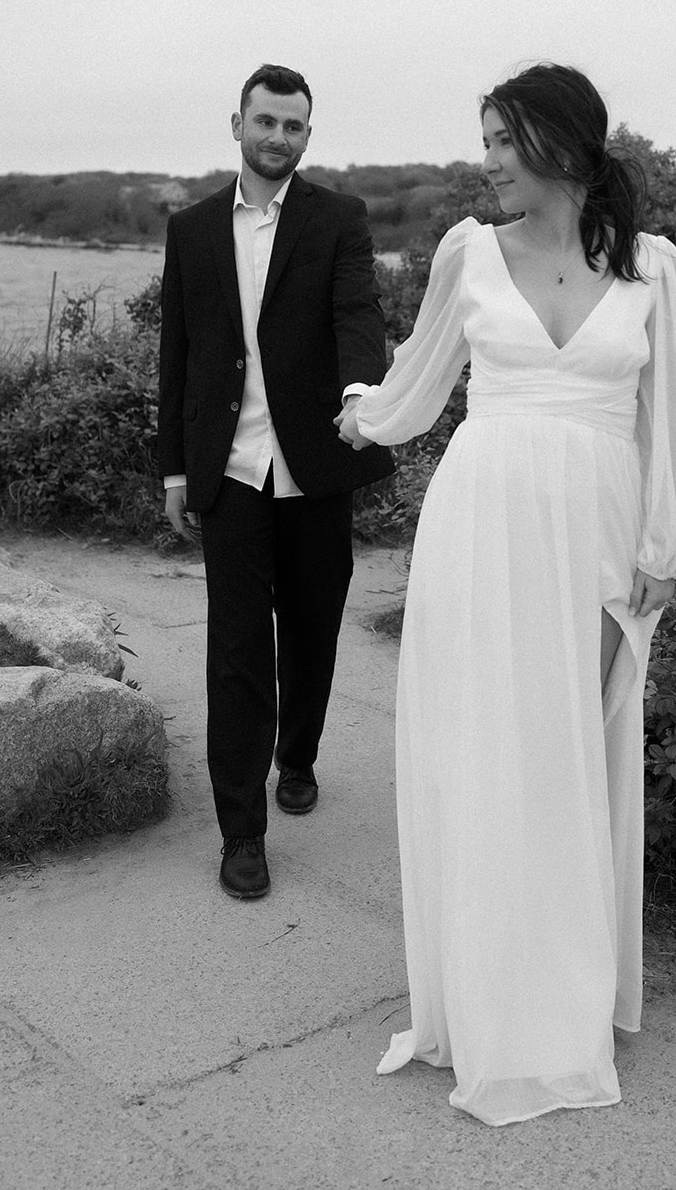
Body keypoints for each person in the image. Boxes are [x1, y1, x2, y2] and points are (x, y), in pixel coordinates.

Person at [335, 62, 676, 1125]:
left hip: (593, 537)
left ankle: (564, 993)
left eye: (502, 138)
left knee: (570, 754)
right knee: (485, 751)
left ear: (562, 143)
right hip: (480, 529)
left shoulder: (653, 269)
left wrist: (659, 552)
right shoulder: (465, 251)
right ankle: (487, 994)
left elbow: (675, 421)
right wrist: (363, 412)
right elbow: (419, 379)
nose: (486, 159)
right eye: (484, 138)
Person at [159, 63, 393, 901]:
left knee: (312, 625)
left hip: (315, 461)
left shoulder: (339, 220)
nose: (278, 139)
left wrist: (362, 393)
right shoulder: (189, 230)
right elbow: (179, 355)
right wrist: (175, 469)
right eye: (265, 122)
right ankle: (241, 832)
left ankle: (297, 755)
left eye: (293, 127)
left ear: (306, 134)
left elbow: (356, 315)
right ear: (237, 124)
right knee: (235, 649)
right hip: (228, 464)